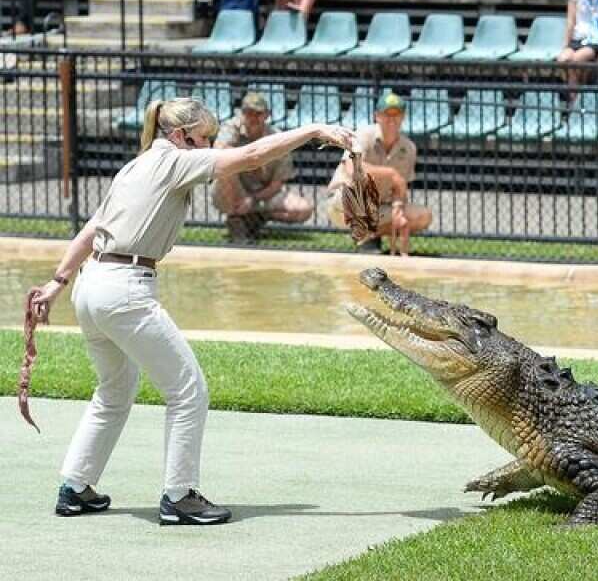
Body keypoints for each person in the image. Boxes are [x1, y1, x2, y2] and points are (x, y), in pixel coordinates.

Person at [28, 97, 352, 525]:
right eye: (203, 139)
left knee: (114, 390)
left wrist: (58, 281)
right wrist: (312, 130)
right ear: (179, 137)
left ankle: (75, 487)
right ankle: (180, 497)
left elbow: (93, 227)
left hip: (91, 286)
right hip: (125, 288)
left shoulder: (136, 165)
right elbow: (251, 155)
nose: (208, 147)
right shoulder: (174, 161)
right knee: (188, 390)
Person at [325, 91, 433, 254]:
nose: (392, 119)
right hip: (343, 203)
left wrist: (398, 207)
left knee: (423, 215)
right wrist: (389, 173)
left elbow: (400, 186)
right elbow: (351, 168)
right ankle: (364, 234)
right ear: (377, 116)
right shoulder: (363, 135)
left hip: (379, 206)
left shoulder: (409, 147)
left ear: (403, 117)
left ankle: (368, 237)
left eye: (396, 114)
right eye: (386, 114)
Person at [212, 92, 315, 244]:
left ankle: (253, 218)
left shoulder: (277, 137)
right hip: (232, 190)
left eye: (258, 113)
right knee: (225, 168)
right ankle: (238, 219)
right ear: (241, 114)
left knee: (303, 209)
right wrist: (244, 157)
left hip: (262, 194)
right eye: (248, 113)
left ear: (267, 115)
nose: (253, 117)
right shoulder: (232, 127)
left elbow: (277, 185)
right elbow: (218, 152)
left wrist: (252, 200)